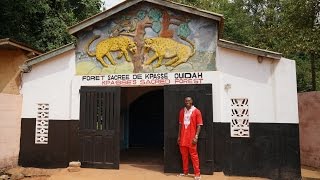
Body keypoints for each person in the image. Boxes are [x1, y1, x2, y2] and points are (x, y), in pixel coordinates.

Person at [177, 97, 203, 180]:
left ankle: (197, 174)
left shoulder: (196, 111)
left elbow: (199, 125)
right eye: (186, 101)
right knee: (184, 156)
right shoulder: (182, 111)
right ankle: (185, 172)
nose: (187, 102)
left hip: (192, 137)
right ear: (184, 102)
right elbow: (180, 124)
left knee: (194, 156)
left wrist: (196, 136)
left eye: (189, 100)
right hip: (183, 137)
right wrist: (179, 136)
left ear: (192, 101)